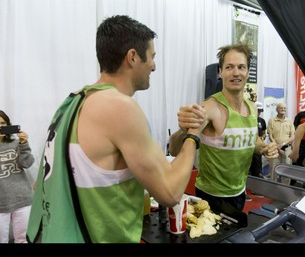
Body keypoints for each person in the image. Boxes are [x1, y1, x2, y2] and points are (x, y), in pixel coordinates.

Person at [27, 15, 207, 243]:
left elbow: (39, 183)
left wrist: (183, 132)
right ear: (132, 57)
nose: (154, 65)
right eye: (152, 56)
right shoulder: (120, 109)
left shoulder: (72, 102)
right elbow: (170, 193)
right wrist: (194, 135)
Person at [168, 43, 278, 215]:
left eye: (241, 67)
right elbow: (174, 150)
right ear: (220, 72)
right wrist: (183, 130)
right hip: (211, 196)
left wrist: (264, 147)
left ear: (248, 72)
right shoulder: (209, 108)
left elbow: (252, 139)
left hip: (240, 192)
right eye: (229, 67)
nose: (236, 73)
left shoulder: (253, 108)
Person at [0, 110, 35, 243]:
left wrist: (23, 144)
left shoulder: (15, 143)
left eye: (3, 123)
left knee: (22, 239)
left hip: (22, 199)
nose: (0, 127)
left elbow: (27, 163)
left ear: (8, 125)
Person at [267, 103, 295, 182]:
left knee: (286, 171)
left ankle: (285, 189)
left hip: (287, 149)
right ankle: (272, 187)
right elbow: (270, 136)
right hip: (274, 149)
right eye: (281, 108)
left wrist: (282, 144)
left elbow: (292, 136)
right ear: (276, 110)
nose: (283, 109)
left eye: (284, 108)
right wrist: (278, 148)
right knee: (273, 169)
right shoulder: (271, 121)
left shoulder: (289, 121)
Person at [249, 101, 267, 178]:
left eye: (260, 111)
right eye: (257, 110)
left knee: (257, 167)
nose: (258, 112)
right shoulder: (247, 119)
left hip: (257, 147)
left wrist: (262, 138)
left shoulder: (262, 121)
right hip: (248, 147)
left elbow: (264, 133)